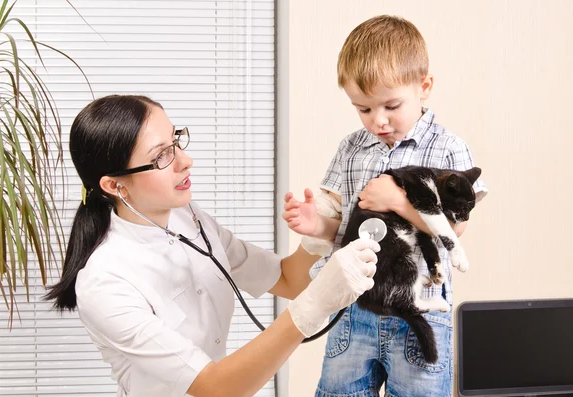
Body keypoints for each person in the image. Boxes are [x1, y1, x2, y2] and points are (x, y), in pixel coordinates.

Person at [45, 94, 381, 397]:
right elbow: (216, 386)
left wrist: (319, 230)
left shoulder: (189, 218)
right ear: (115, 185)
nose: (184, 160)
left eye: (175, 141)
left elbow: (287, 279)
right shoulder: (105, 282)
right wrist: (313, 307)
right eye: (161, 156)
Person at [283, 15, 488, 397]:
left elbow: (455, 231)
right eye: (363, 109)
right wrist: (318, 226)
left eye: (391, 105)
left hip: (420, 308)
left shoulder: (448, 149)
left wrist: (398, 201)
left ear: (424, 87)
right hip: (355, 306)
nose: (377, 120)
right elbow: (347, 231)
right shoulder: (352, 147)